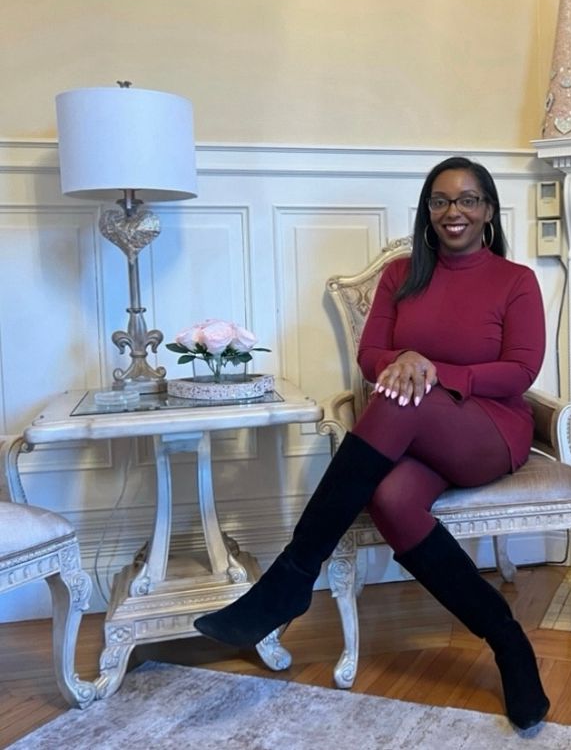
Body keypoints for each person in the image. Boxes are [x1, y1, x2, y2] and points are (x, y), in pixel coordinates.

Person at [194, 156, 550, 730]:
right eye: (440, 201)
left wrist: (434, 371)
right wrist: (404, 361)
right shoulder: (401, 275)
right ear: (426, 211)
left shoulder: (515, 281)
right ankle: (507, 640)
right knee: (390, 501)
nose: (452, 211)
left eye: (467, 200)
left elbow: (520, 370)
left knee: (396, 399)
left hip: (486, 429)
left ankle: (290, 579)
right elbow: (371, 357)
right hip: (417, 423)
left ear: (488, 211)